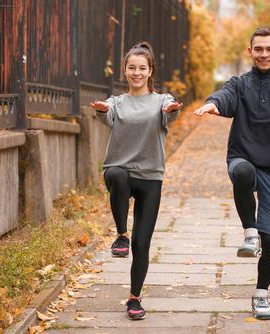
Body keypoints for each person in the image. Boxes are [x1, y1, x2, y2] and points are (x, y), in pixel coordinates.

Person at [194, 27, 270, 320]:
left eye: (269, 49)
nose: (264, 54)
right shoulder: (239, 84)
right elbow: (225, 96)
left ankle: (261, 295)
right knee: (243, 172)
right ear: (250, 52)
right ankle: (250, 235)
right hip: (243, 157)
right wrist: (213, 104)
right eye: (258, 49)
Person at [90, 42, 182, 320]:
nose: (137, 73)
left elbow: (171, 110)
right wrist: (102, 109)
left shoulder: (161, 101)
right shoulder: (117, 102)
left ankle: (134, 298)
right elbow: (106, 112)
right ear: (125, 70)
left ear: (150, 71)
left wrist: (172, 109)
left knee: (143, 244)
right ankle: (121, 235)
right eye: (132, 68)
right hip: (120, 173)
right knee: (117, 174)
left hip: (150, 177)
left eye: (142, 68)